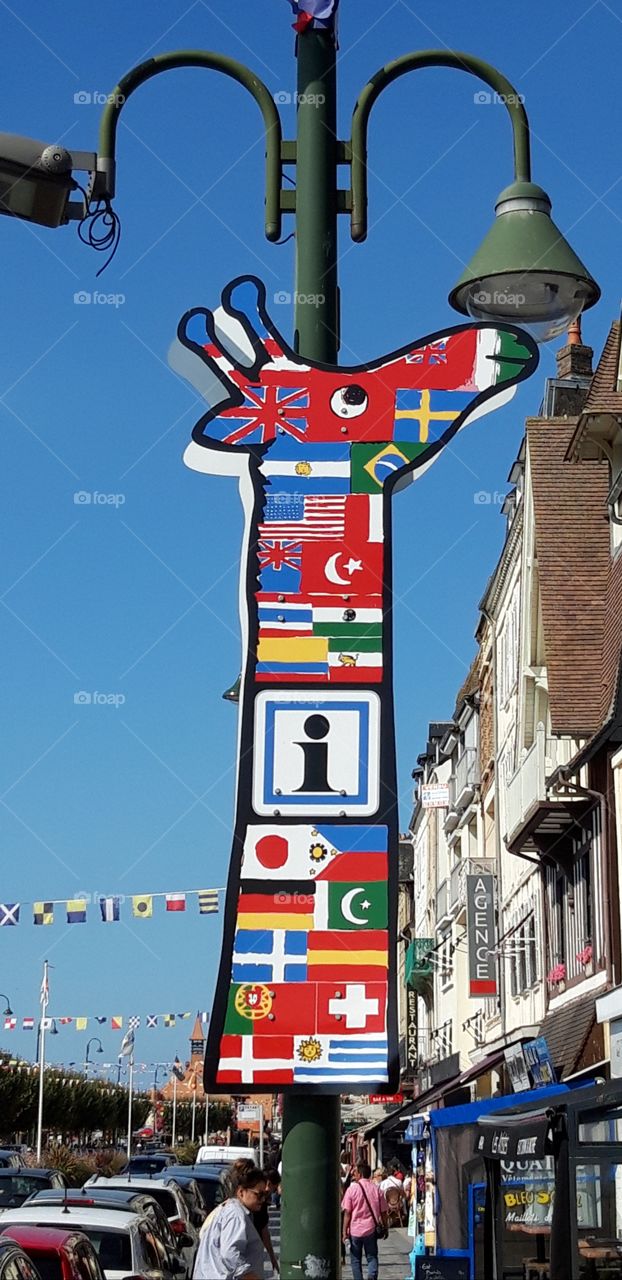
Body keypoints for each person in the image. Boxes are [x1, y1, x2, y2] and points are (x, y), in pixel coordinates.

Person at [193, 1162, 268, 1279]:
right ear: (241, 1192)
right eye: (259, 1194)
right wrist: (250, 1276)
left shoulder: (230, 1210)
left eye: (266, 1194)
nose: (263, 1199)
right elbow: (230, 1253)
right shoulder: (235, 1214)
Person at [342, 1159, 388, 1280]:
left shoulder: (352, 1190)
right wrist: (386, 1227)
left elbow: (347, 1212)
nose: (354, 1175)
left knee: (355, 1260)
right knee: (372, 1257)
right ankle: (371, 1277)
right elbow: (384, 1212)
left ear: (361, 1174)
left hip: (354, 1230)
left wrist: (344, 1232)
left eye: (356, 1173)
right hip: (371, 1229)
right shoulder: (377, 1189)